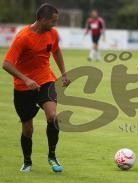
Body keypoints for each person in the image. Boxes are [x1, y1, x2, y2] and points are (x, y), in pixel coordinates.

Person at [2, 3, 71, 172]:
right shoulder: (23, 37)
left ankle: (52, 157)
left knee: (53, 117)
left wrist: (64, 73)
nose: (55, 24)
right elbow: (6, 64)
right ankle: (27, 162)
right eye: (52, 21)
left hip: (46, 80)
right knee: (28, 129)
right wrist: (26, 80)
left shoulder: (52, 33)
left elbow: (56, 51)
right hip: (24, 87)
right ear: (41, 19)